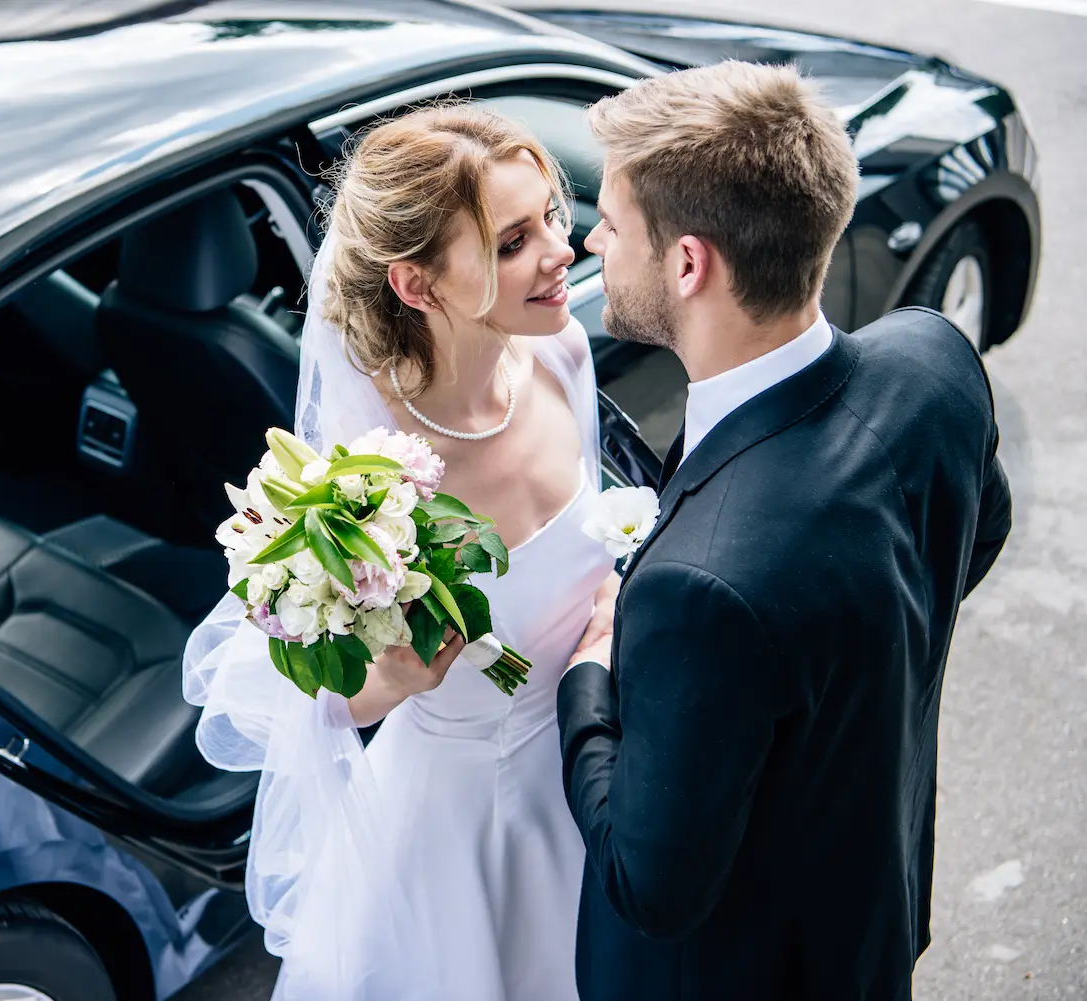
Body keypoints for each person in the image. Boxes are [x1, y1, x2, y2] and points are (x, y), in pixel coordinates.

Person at [558, 61, 1013, 1000]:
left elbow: (650, 885)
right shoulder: (934, 361)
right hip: (872, 911)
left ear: (689, 264)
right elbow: (978, 530)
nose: (591, 240)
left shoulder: (700, 588)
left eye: (611, 222)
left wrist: (588, 680)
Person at [183, 104, 619, 999]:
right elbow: (289, 700)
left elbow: (596, 546)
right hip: (465, 823)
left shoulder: (564, 355)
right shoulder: (366, 481)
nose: (561, 252)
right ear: (418, 284)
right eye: (512, 243)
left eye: (552, 218)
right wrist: (391, 684)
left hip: (599, 761)